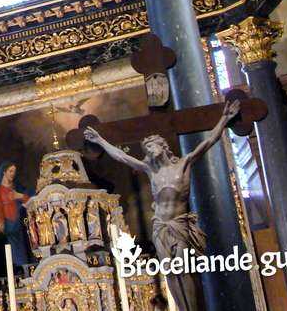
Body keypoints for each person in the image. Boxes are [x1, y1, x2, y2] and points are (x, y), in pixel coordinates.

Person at [84, 99, 241, 311]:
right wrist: (101, 141)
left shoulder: (183, 164)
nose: (149, 150)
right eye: (146, 148)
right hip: (160, 227)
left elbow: (208, 142)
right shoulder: (151, 171)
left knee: (184, 270)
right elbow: (122, 157)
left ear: (163, 145)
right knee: (170, 272)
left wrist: (225, 118)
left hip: (178, 226)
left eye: (151, 145)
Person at [0, 161, 32, 269]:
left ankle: (26, 269)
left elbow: (30, 200)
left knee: (25, 249)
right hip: (8, 227)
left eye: (14, 171)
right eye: (10, 171)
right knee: (12, 253)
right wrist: (1, 221)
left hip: (21, 224)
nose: (13, 173)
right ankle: (19, 270)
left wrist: (19, 196)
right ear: (4, 172)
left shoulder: (17, 187)